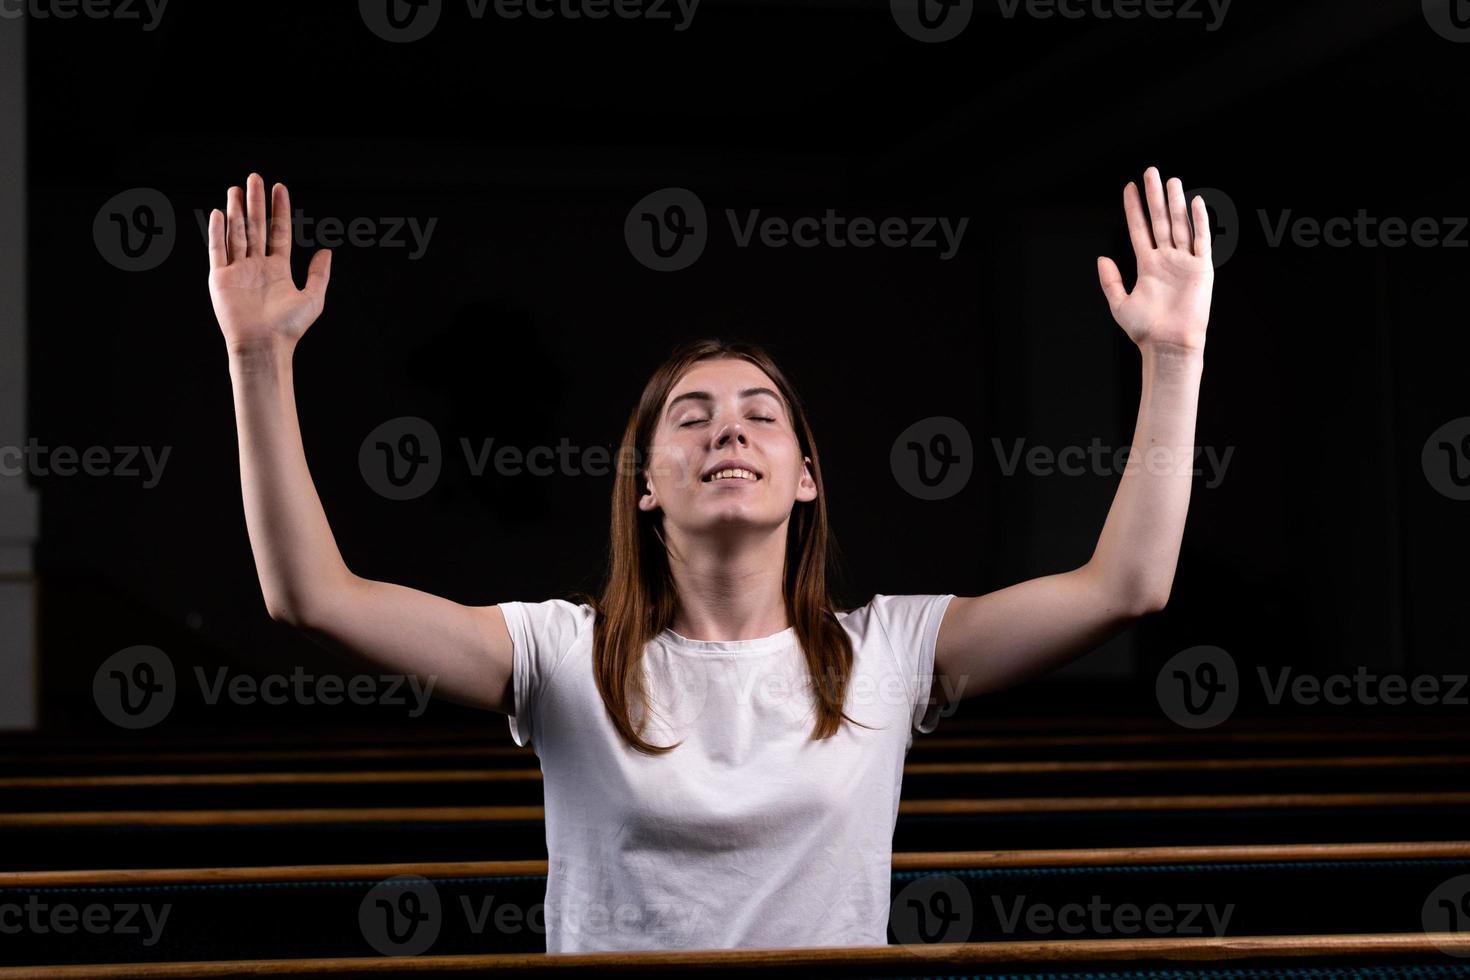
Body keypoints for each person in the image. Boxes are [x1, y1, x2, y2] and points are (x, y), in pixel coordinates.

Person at [204, 166, 1214, 953]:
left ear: (805, 475)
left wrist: (1173, 359)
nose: (728, 432)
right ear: (647, 485)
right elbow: (311, 594)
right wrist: (259, 361)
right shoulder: (562, 654)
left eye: (759, 415)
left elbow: (1127, 584)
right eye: (692, 417)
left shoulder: (891, 650)